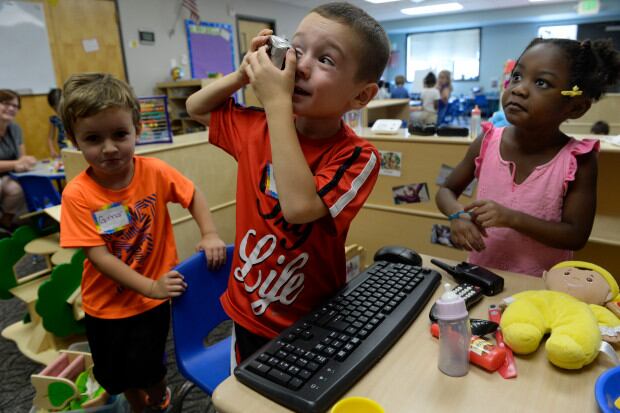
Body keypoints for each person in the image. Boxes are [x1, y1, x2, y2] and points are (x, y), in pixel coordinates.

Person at [186, 2, 387, 363]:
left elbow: (298, 207)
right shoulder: (256, 127)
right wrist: (243, 75)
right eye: (296, 51)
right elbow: (196, 107)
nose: (301, 66)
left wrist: (276, 101)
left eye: (326, 60)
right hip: (247, 310)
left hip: (312, 319)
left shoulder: (358, 157)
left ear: (360, 96)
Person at [58, 73, 226, 413]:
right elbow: (99, 256)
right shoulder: (77, 194)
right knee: (116, 374)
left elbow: (192, 195)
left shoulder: (154, 171)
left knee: (151, 365)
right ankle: (136, 406)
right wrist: (149, 285)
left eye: (120, 134)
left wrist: (209, 233)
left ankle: (158, 398)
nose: (109, 148)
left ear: (137, 128)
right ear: (74, 140)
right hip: (105, 307)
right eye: (93, 138)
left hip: (151, 304)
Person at [436, 37, 620, 277]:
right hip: (482, 275)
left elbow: (575, 236)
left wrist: (511, 218)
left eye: (541, 82)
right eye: (517, 76)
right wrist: (457, 216)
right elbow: (445, 191)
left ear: (575, 108)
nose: (519, 89)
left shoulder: (577, 160)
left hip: (541, 287)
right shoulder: (487, 141)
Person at [0, 89, 36, 232]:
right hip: (7, 174)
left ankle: (6, 223)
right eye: (5, 103)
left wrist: (26, 161)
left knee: (17, 188)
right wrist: (16, 164)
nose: (11, 108)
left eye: (15, 106)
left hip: (9, 175)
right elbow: (18, 162)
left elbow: (22, 157)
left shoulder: (15, 129)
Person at [47, 88, 68, 158]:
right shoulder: (54, 119)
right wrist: (52, 150)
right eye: (55, 109)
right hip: (63, 149)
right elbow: (50, 138)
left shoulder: (72, 116)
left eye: (59, 107)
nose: (58, 111)